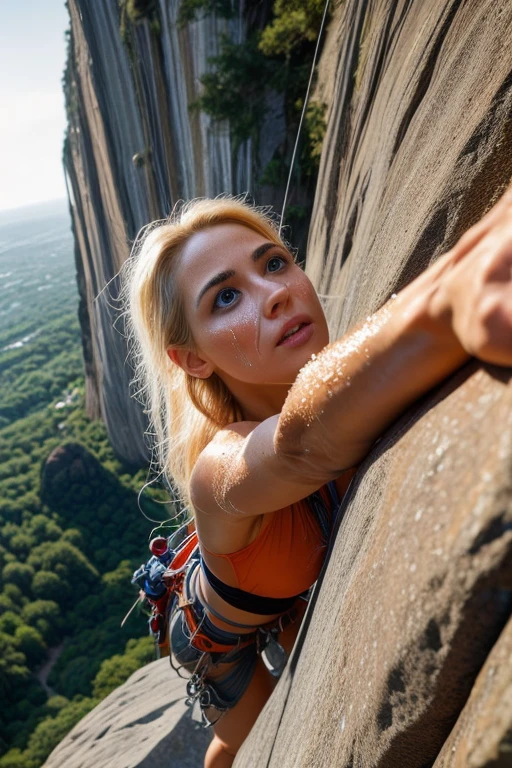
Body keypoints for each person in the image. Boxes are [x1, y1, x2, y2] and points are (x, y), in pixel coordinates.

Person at [124, 186, 512, 767]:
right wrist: (451, 295)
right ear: (194, 359)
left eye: (274, 263)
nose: (275, 294)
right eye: (226, 297)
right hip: (215, 641)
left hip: (286, 581)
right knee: (241, 751)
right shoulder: (218, 469)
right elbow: (296, 449)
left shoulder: (349, 372)